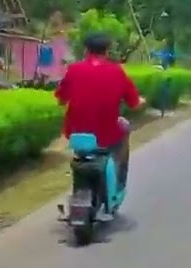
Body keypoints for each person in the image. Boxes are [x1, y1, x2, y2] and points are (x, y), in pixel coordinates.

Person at [54, 32, 143, 215]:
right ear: (107, 51)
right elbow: (134, 103)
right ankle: (117, 185)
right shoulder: (117, 71)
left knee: (81, 157)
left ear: (86, 50)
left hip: (77, 134)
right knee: (123, 134)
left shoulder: (74, 70)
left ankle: (80, 189)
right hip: (107, 133)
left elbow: (61, 99)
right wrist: (142, 101)